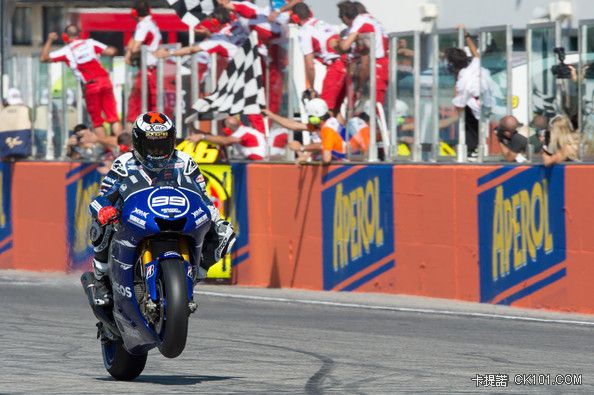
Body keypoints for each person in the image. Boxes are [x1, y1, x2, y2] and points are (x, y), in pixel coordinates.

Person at [87, 112, 236, 306]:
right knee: (101, 222)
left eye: (162, 144)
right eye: (150, 145)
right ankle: (101, 276)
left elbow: (203, 196)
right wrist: (105, 209)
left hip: (177, 215)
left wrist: (216, 219)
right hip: (135, 218)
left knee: (225, 233)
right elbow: (103, 196)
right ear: (138, 142)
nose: (157, 150)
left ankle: (195, 273)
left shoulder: (185, 161)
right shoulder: (124, 163)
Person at [40, 25, 123, 139]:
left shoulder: (67, 50)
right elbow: (112, 51)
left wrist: (49, 40)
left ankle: (107, 149)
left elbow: (43, 58)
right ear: (80, 34)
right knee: (113, 118)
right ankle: (123, 148)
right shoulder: (90, 43)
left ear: (65, 37)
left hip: (91, 85)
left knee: (97, 121)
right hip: (105, 81)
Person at [291, 3, 346, 115]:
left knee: (323, 110)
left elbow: (310, 65)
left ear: (295, 18)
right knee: (335, 110)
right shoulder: (322, 23)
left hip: (335, 67)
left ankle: (327, 132)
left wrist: (311, 87)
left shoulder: (305, 32)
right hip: (345, 64)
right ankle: (342, 132)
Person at [334, 1, 390, 106]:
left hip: (376, 65)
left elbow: (345, 46)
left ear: (345, 17)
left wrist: (359, 87)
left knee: (371, 109)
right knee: (368, 108)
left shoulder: (361, 22)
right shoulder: (370, 20)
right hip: (379, 64)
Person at [264, 98, 346, 164]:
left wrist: (302, 148)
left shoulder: (328, 129)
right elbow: (294, 125)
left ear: (314, 118)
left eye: (309, 117)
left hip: (340, 167)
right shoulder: (322, 124)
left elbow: (325, 155)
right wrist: (272, 116)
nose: (309, 120)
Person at [445, 27, 485, 158]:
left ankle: (472, 150)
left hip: (474, 103)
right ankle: (473, 149)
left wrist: (457, 103)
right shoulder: (473, 66)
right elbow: (476, 55)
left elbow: (459, 103)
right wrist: (467, 36)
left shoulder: (463, 78)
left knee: (470, 125)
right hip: (481, 100)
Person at [125, 0, 162, 125]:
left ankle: (132, 134)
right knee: (151, 104)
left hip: (148, 69)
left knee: (135, 104)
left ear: (134, 12)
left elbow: (135, 47)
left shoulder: (143, 25)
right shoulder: (151, 23)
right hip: (152, 68)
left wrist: (129, 55)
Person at [189, 116, 266, 160]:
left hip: (256, 162)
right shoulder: (242, 131)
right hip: (252, 161)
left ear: (227, 127)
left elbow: (224, 141)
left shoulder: (243, 132)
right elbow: (217, 138)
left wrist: (202, 136)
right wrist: (197, 131)